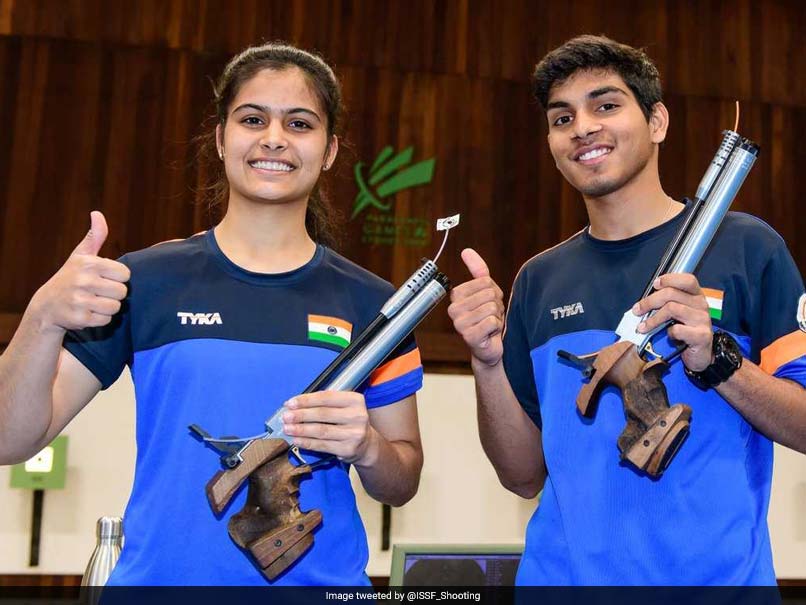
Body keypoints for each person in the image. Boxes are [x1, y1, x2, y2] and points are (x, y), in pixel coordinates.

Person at [0, 43, 425, 586]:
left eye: (299, 123)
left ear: (331, 150)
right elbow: (12, 440)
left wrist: (367, 446)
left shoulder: (374, 305)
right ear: (222, 139)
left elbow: (403, 479)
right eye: (253, 119)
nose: (274, 138)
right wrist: (42, 317)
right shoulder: (145, 282)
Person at [448, 35, 806, 585]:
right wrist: (486, 363)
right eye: (562, 117)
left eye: (606, 105)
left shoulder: (746, 248)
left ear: (657, 121)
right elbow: (521, 477)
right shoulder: (538, 279)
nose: (584, 127)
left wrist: (719, 361)